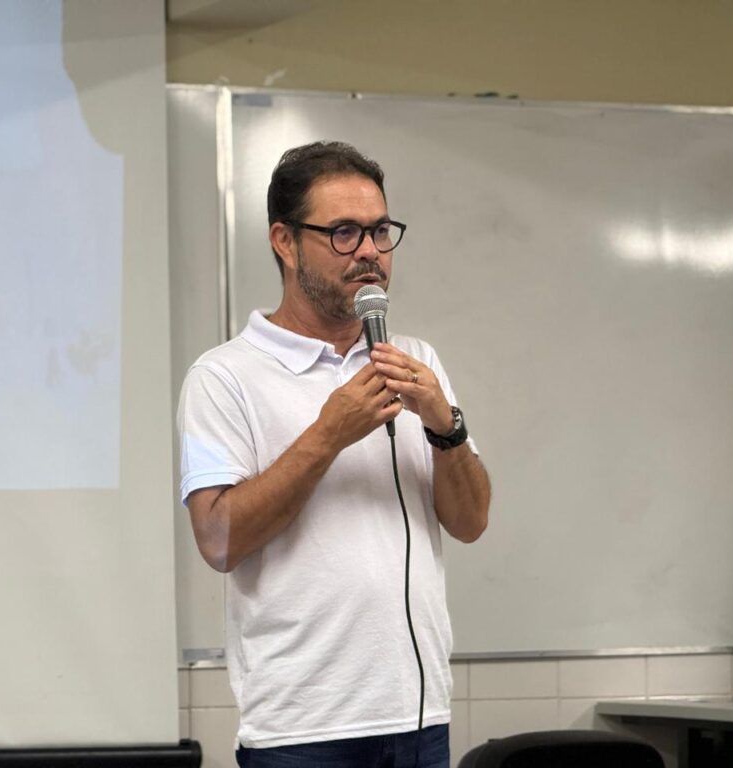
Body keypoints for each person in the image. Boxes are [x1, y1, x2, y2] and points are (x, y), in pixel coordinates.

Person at [177, 141, 491, 768]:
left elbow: (471, 522)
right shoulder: (223, 376)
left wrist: (445, 426)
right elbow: (218, 541)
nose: (370, 251)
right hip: (301, 730)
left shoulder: (417, 361)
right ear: (285, 242)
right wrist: (328, 434)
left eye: (380, 231)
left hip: (419, 718)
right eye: (344, 232)